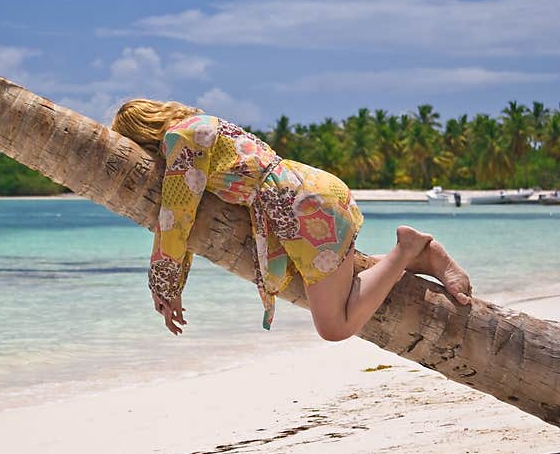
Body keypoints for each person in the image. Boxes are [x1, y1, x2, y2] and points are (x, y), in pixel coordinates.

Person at [111, 99, 472, 339]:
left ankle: (406, 250)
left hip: (298, 207)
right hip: (307, 193)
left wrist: (163, 288)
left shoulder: (182, 139)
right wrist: (173, 284)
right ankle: (424, 257)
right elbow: (184, 219)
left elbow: (176, 218)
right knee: (343, 287)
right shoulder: (202, 125)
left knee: (334, 327)